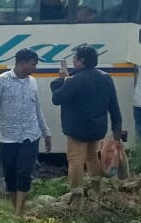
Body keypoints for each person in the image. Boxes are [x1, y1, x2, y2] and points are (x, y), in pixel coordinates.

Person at [0, 48, 53, 215]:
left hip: (30, 135)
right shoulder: (0, 81)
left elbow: (37, 108)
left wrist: (46, 132)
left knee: (25, 173)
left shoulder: (32, 82)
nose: (35, 68)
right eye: (33, 64)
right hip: (8, 137)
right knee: (10, 175)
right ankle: (16, 208)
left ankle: (19, 212)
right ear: (22, 64)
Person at [51, 45, 122, 189]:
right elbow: (114, 105)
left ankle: (76, 193)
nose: (73, 60)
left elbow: (57, 99)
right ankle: (96, 188)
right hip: (97, 128)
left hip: (77, 130)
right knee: (92, 157)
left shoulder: (74, 80)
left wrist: (61, 80)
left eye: (75, 58)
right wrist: (117, 128)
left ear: (81, 60)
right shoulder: (106, 78)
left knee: (76, 160)